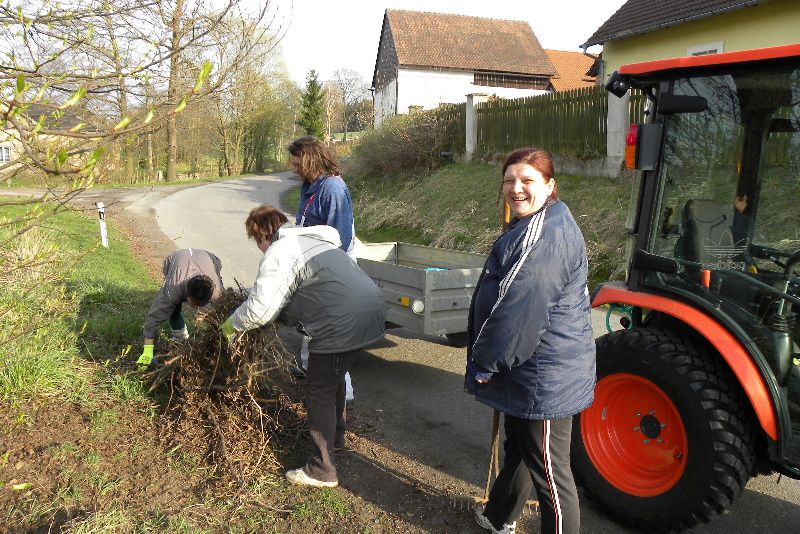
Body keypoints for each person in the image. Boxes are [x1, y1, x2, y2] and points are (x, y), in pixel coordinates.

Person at [465, 148, 596, 534]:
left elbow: (518, 311)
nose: (516, 189)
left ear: (550, 186)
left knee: (553, 479)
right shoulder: (542, 222)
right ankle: (498, 517)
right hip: (533, 368)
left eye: (527, 181)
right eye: (509, 180)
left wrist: (487, 362)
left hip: (544, 375)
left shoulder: (544, 235)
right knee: (524, 450)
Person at [220, 205, 385, 488]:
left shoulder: (280, 251)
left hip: (341, 323)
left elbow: (261, 310)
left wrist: (229, 326)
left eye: (255, 240)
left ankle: (322, 470)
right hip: (372, 313)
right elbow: (293, 292)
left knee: (318, 389)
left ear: (261, 235)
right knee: (332, 381)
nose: (259, 247)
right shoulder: (316, 241)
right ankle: (335, 439)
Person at [288, 136, 357, 400]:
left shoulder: (333, 188)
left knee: (329, 330)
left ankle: (344, 393)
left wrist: (325, 273)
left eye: (296, 162)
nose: (293, 167)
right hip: (312, 262)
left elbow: (340, 236)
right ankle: (308, 370)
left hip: (331, 267)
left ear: (309, 159)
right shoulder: (309, 185)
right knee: (310, 322)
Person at [137, 248, 224, 370]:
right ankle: (180, 337)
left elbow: (226, 315)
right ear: (187, 295)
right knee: (172, 305)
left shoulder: (217, 292)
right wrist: (147, 351)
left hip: (209, 258)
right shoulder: (172, 289)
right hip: (175, 259)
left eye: (201, 305)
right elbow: (153, 318)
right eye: (194, 305)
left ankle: (213, 342)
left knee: (218, 312)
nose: (197, 309)